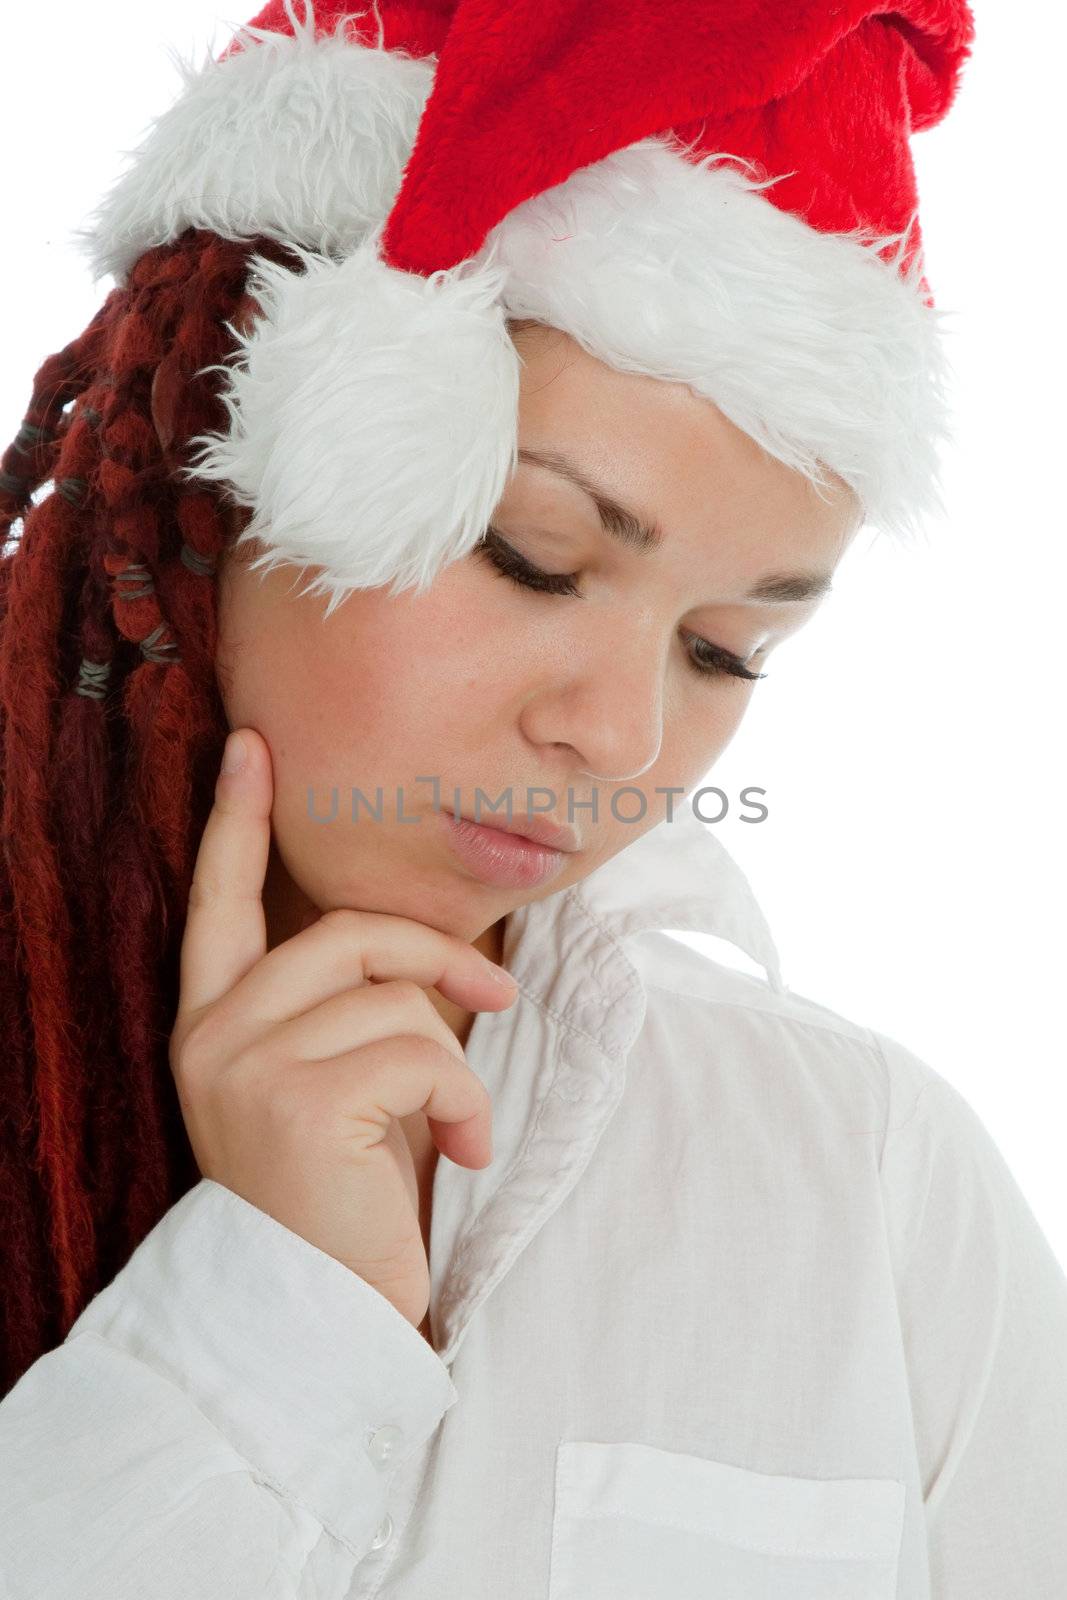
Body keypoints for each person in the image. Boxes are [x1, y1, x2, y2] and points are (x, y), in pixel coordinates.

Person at [1, 0, 1065, 1596]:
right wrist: (272, 1333)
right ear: (222, 457)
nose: (622, 737)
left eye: (727, 648)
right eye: (534, 557)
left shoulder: (867, 1182)